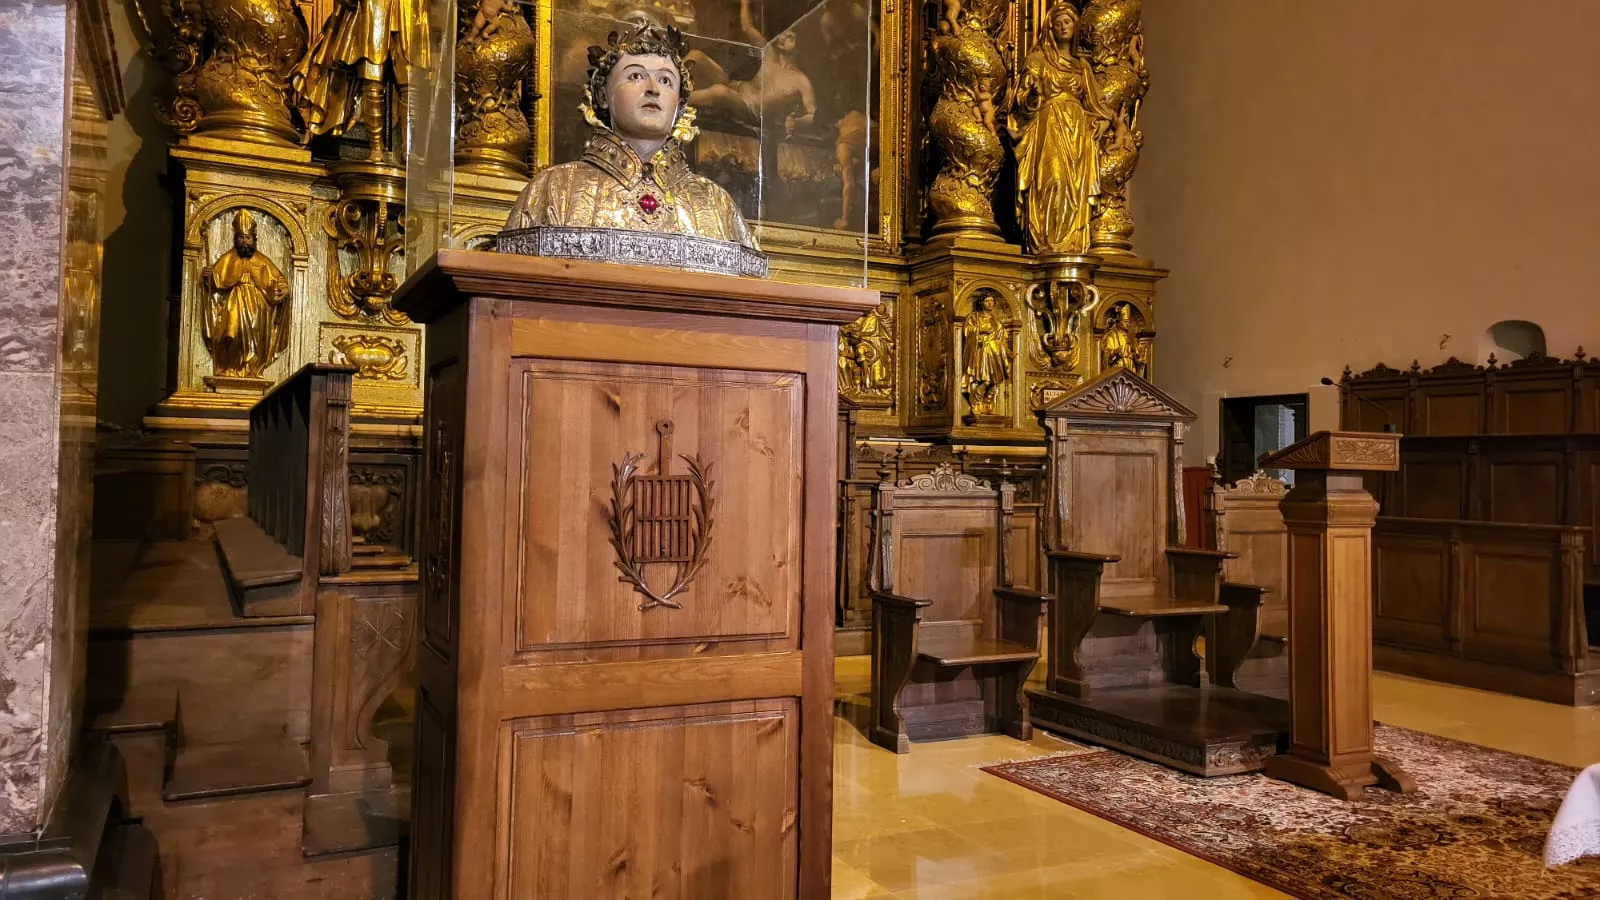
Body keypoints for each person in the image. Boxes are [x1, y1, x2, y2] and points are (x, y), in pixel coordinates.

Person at [504, 21, 758, 249]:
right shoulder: (553, 189)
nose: (653, 89)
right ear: (603, 95)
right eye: (635, 76)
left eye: (666, 80)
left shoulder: (717, 204)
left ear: (680, 104)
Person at [1008, 0, 1106, 255]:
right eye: (1058, 23)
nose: (1063, 27)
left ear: (1076, 26)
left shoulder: (1082, 67)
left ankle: (1071, 245)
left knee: (1076, 189)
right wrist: (1032, 96)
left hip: (1077, 133)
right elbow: (1020, 103)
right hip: (1049, 127)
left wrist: (1102, 122)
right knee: (1054, 182)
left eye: (1068, 22)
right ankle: (1047, 244)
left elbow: (1097, 106)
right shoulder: (1038, 60)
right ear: (1050, 29)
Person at [201, 210, 291, 378]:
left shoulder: (262, 260)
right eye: (241, 238)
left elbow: (279, 278)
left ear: (254, 240)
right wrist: (209, 277)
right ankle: (231, 367)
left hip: (259, 305)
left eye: (248, 238)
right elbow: (217, 280)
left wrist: (284, 289)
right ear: (236, 239)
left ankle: (251, 368)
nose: (244, 241)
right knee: (232, 333)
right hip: (235, 301)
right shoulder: (228, 258)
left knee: (255, 337)